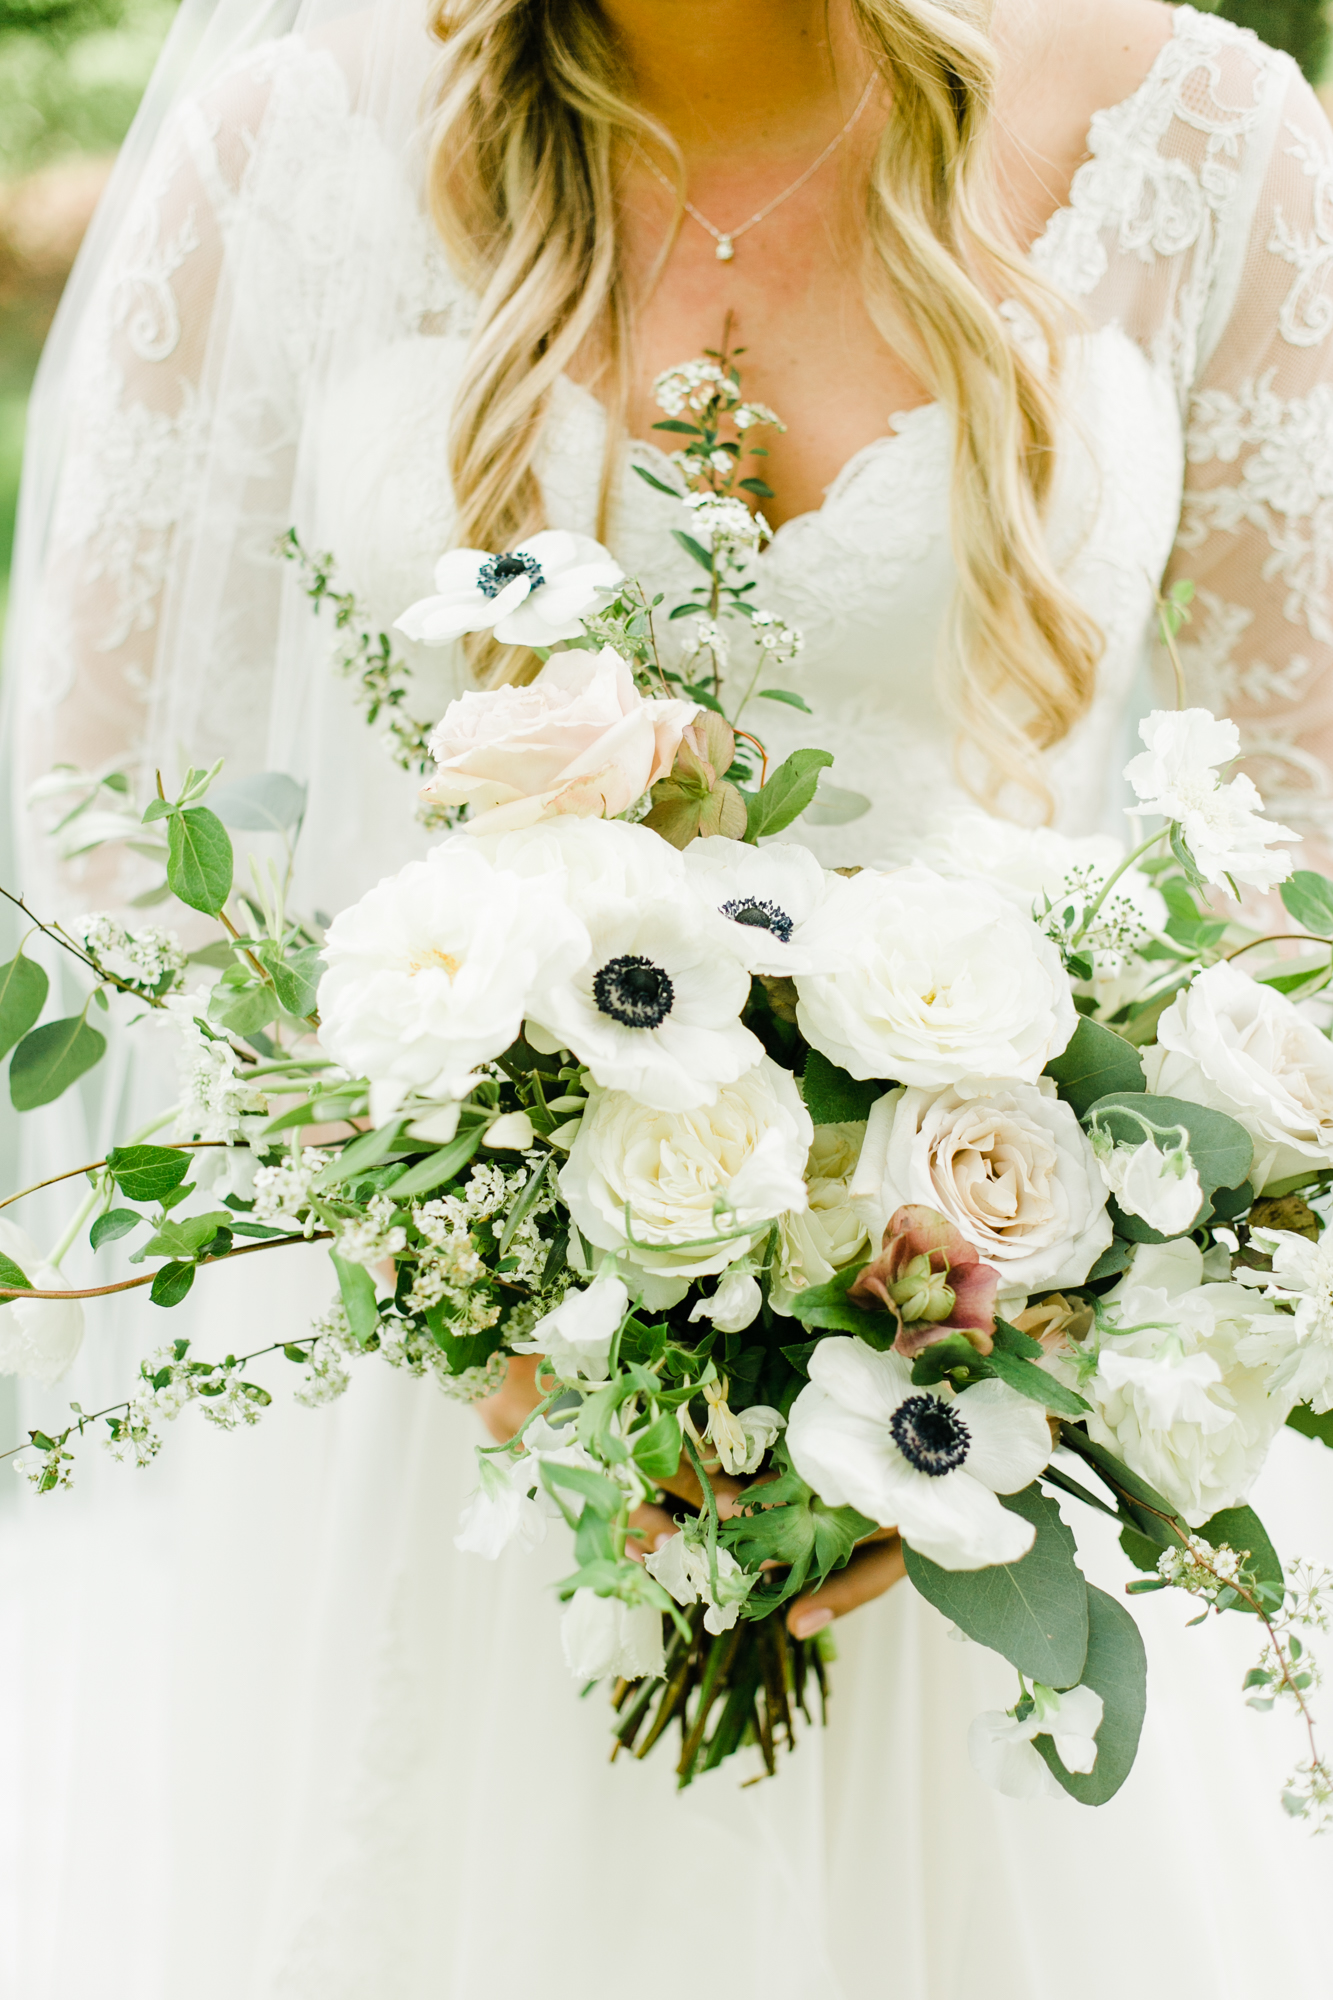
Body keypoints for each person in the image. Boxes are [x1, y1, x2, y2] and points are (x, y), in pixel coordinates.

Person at [4, 0, 1333, 1993]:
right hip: (454, 1437)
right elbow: (109, 828)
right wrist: (457, 1253)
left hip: (1020, 1399)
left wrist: (1054, 1302)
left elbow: (1299, 834)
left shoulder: (1200, 131)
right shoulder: (289, 149)